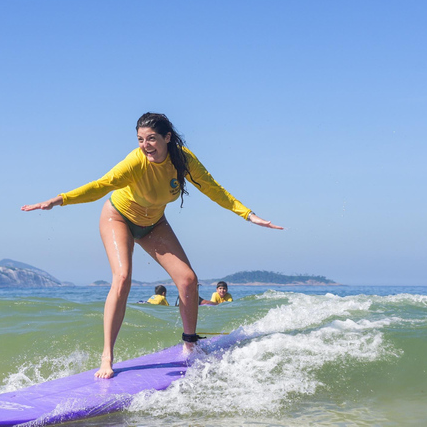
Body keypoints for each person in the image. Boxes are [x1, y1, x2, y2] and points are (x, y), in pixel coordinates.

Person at [22, 112, 283, 378]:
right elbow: (102, 185)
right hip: (119, 217)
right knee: (122, 278)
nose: (145, 145)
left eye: (151, 139)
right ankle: (107, 357)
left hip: (154, 224)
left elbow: (214, 189)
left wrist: (248, 215)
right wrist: (60, 199)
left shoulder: (183, 161)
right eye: (140, 139)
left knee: (189, 280)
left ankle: (190, 345)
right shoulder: (135, 162)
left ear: (167, 138)